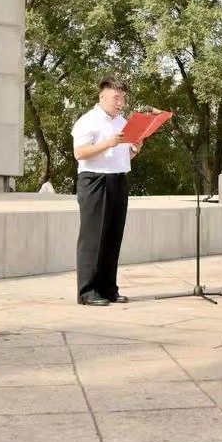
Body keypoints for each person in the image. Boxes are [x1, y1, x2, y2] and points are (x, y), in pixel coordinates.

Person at [70, 77, 143, 306]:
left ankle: (108, 288)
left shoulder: (123, 123)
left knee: (113, 236)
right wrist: (108, 143)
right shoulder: (87, 121)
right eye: (116, 98)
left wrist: (136, 149)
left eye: (123, 98)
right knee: (93, 237)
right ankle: (87, 291)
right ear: (102, 96)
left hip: (118, 179)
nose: (120, 103)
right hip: (94, 181)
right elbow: (79, 153)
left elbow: (124, 155)